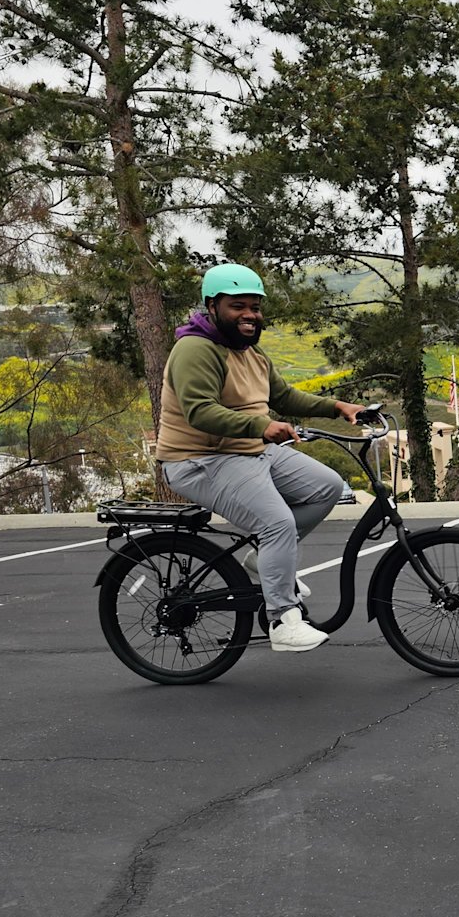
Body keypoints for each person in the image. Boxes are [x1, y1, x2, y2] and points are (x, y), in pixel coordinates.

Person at [157, 263, 367, 654]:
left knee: (328, 488)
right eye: (239, 306)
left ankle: (262, 559)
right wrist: (261, 427)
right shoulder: (195, 349)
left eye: (255, 307)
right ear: (212, 305)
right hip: (200, 459)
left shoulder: (250, 352)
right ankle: (283, 622)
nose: (250, 315)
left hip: (248, 450)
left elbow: (284, 398)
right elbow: (199, 411)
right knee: (277, 523)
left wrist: (338, 406)